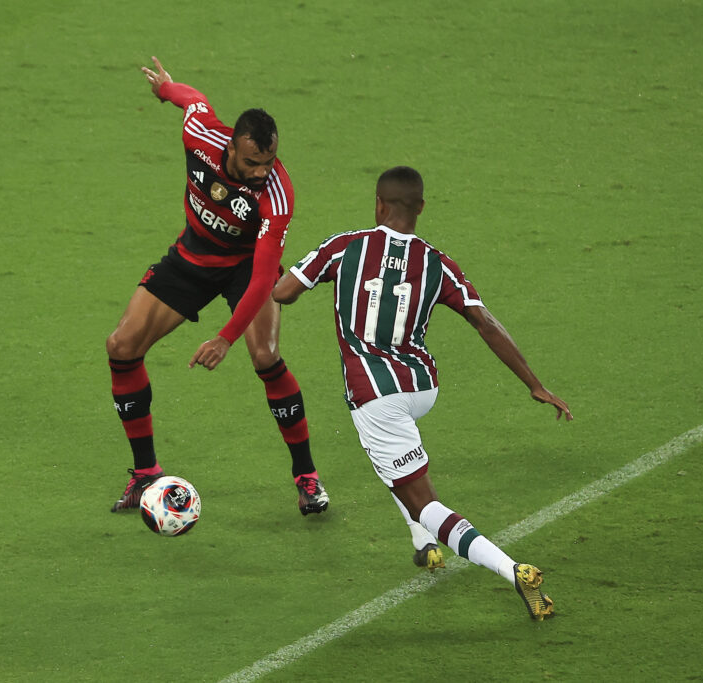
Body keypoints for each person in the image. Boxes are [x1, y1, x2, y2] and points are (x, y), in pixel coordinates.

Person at [272, 166, 573, 620]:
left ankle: (512, 570)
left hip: (376, 394)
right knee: (391, 460)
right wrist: (535, 384)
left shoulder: (345, 246)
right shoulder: (437, 262)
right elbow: (485, 322)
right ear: (421, 209)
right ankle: (422, 544)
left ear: (378, 205)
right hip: (421, 385)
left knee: (423, 499)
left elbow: (284, 291)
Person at [106, 57, 329, 516]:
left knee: (265, 356)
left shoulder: (276, 195)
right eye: (251, 162)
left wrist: (225, 338)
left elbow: (266, 274)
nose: (260, 171)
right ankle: (146, 474)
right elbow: (193, 101)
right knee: (122, 346)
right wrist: (166, 88)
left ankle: (307, 477)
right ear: (231, 145)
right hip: (191, 258)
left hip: (246, 268)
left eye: (268, 161)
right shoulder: (200, 136)